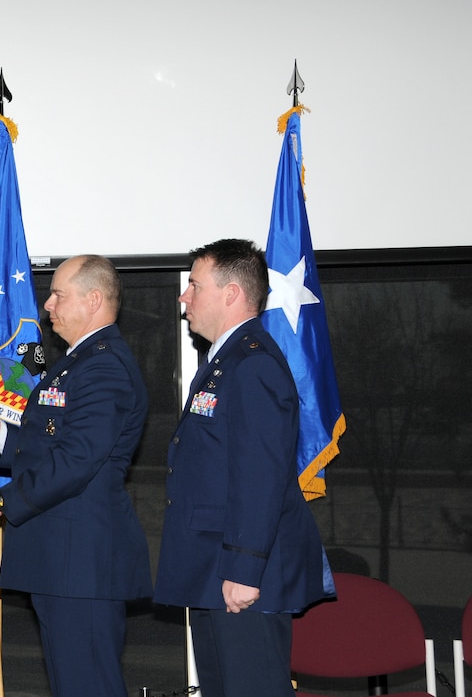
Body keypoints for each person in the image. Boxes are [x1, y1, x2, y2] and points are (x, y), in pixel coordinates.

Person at [0, 254, 151, 697]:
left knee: (88, 685)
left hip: (81, 564)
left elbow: (77, 460)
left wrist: (4, 500)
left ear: (94, 300)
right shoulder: (78, 363)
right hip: (62, 562)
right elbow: (47, 445)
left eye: (58, 295)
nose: (48, 305)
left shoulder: (103, 366)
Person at [154, 239, 331, 697]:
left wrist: (245, 570)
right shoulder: (225, 361)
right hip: (217, 568)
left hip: (243, 574)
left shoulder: (253, 364)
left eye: (194, 285)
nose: (183, 296)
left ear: (231, 293)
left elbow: (261, 476)